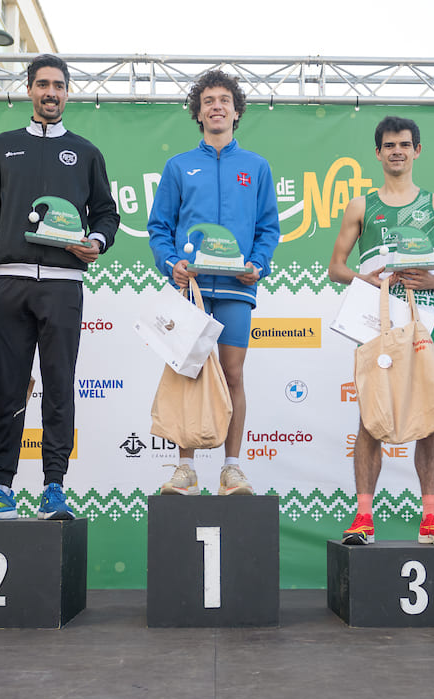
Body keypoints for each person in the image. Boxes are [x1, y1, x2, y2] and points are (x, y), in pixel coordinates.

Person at [0, 54, 119, 522]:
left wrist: (96, 240)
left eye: (60, 86)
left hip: (64, 286)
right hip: (8, 283)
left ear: (68, 93)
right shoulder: (3, 146)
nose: (51, 92)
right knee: (8, 388)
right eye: (43, 84)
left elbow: (107, 213)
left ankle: (54, 488)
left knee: (60, 387)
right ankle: (1, 487)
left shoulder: (86, 152)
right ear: (28, 89)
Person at [327, 115, 434, 545]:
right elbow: (336, 267)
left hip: (425, 320)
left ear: (417, 151)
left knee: (429, 417)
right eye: (389, 145)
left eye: (405, 145)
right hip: (378, 320)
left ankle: (431, 519)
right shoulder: (361, 205)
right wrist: (361, 280)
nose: (397, 151)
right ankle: (363, 518)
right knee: (372, 414)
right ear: (378, 152)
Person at [147, 69, 280, 496]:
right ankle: (184, 468)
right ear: (198, 112)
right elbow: (159, 227)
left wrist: (258, 264)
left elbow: (268, 228)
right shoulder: (179, 166)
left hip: (238, 288)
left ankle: (232, 468)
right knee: (188, 371)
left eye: (224, 99)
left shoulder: (257, 167)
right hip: (192, 290)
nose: (217, 106)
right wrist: (171, 265)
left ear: (236, 111)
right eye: (208, 101)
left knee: (233, 375)